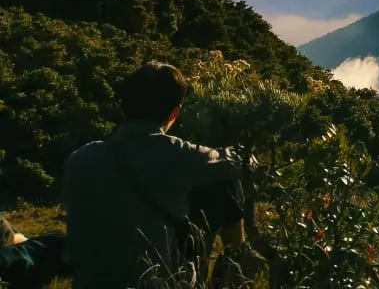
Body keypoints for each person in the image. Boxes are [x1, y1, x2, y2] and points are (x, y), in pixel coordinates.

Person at [62, 62, 256, 289]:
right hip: (155, 282)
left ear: (123, 105)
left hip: (88, 283)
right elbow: (241, 162)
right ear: (174, 112)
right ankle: (234, 275)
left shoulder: (79, 159)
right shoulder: (178, 155)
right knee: (227, 184)